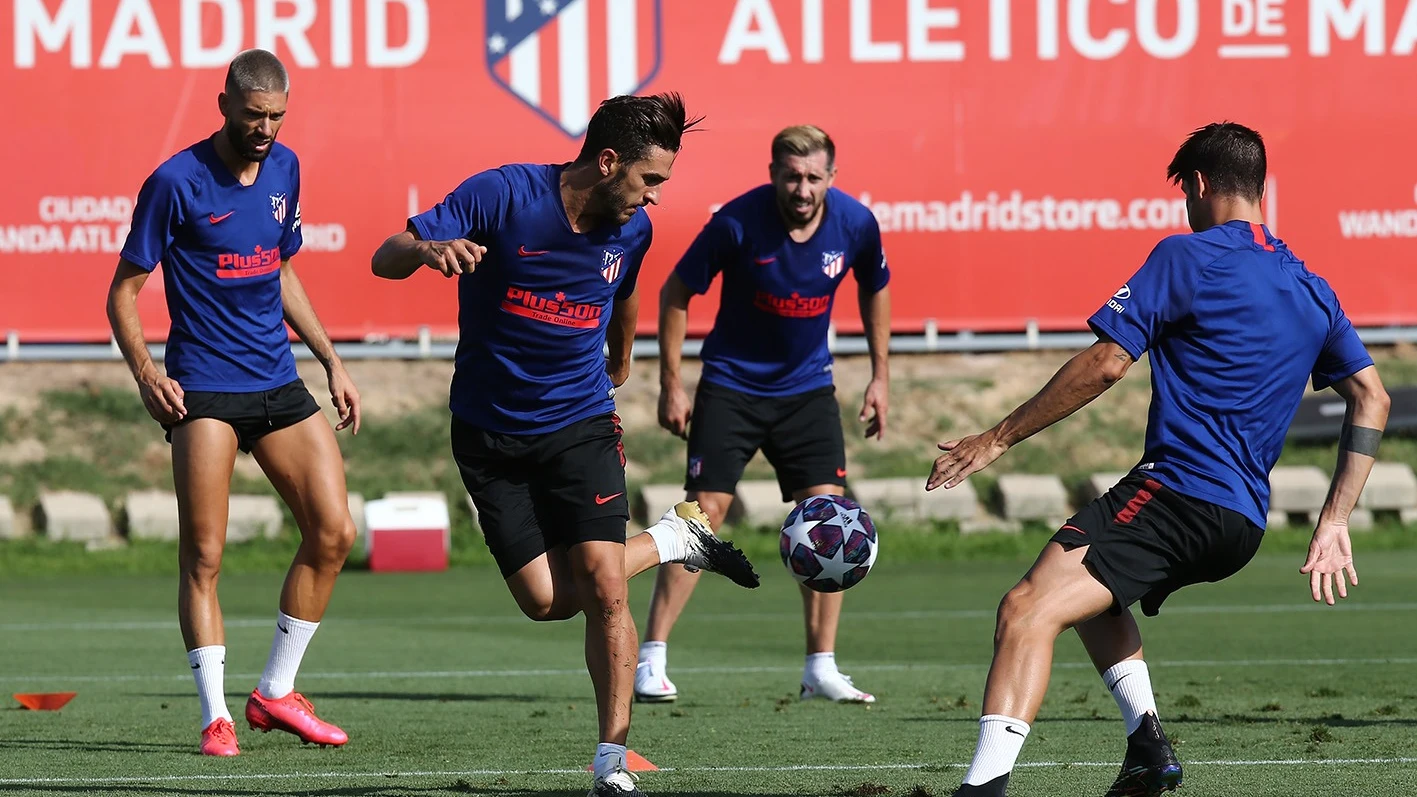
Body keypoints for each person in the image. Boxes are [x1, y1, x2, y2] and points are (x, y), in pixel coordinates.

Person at [926, 122, 1389, 797]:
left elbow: (1106, 363)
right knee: (1090, 587)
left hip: (1177, 494)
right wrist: (1334, 519)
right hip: (1239, 525)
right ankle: (1146, 746)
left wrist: (993, 438)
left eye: (1185, 195)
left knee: (1024, 609)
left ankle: (981, 790)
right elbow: (1370, 397)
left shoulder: (1185, 256)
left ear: (1197, 185)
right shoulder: (1310, 286)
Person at [370, 92, 759, 797]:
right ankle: (674, 538)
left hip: (579, 421)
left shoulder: (629, 231)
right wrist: (427, 249)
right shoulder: (502, 194)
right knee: (548, 600)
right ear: (607, 162)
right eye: (648, 182)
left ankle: (611, 760)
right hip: (487, 431)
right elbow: (382, 257)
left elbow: (626, 292)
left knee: (606, 589)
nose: (652, 200)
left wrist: (622, 354)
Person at [106, 49, 361, 757]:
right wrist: (145, 373)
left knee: (334, 531)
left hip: (277, 381)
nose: (266, 129)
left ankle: (275, 692)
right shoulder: (174, 181)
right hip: (206, 389)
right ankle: (216, 714)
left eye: (277, 116)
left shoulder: (286, 167)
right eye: (254, 115)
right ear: (224, 104)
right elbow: (122, 292)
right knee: (206, 555)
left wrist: (331, 360)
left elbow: (281, 268)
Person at [638, 125, 891, 705]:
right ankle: (651, 658)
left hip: (807, 392)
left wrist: (881, 375)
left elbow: (876, 287)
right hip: (731, 386)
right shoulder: (736, 222)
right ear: (773, 172)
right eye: (791, 175)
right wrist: (671, 384)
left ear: (831, 176)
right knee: (704, 515)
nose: (802, 188)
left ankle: (820, 666)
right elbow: (675, 293)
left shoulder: (855, 224)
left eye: (813, 177)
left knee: (831, 517)